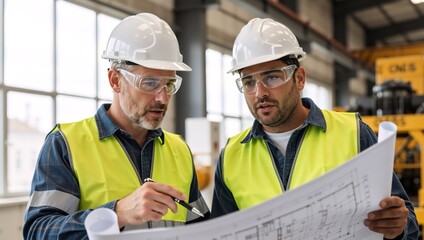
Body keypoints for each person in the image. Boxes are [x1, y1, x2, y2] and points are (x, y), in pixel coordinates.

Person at [210, 17, 419, 239]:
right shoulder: (231, 156)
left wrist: (397, 227)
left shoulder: (353, 134)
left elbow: (408, 223)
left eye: (271, 77)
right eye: (248, 82)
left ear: (299, 79)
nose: (260, 93)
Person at [23, 13, 210, 239]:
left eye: (169, 84)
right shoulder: (65, 144)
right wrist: (115, 214)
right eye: (149, 83)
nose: (162, 98)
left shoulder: (179, 149)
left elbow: (200, 226)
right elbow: (38, 231)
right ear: (115, 80)